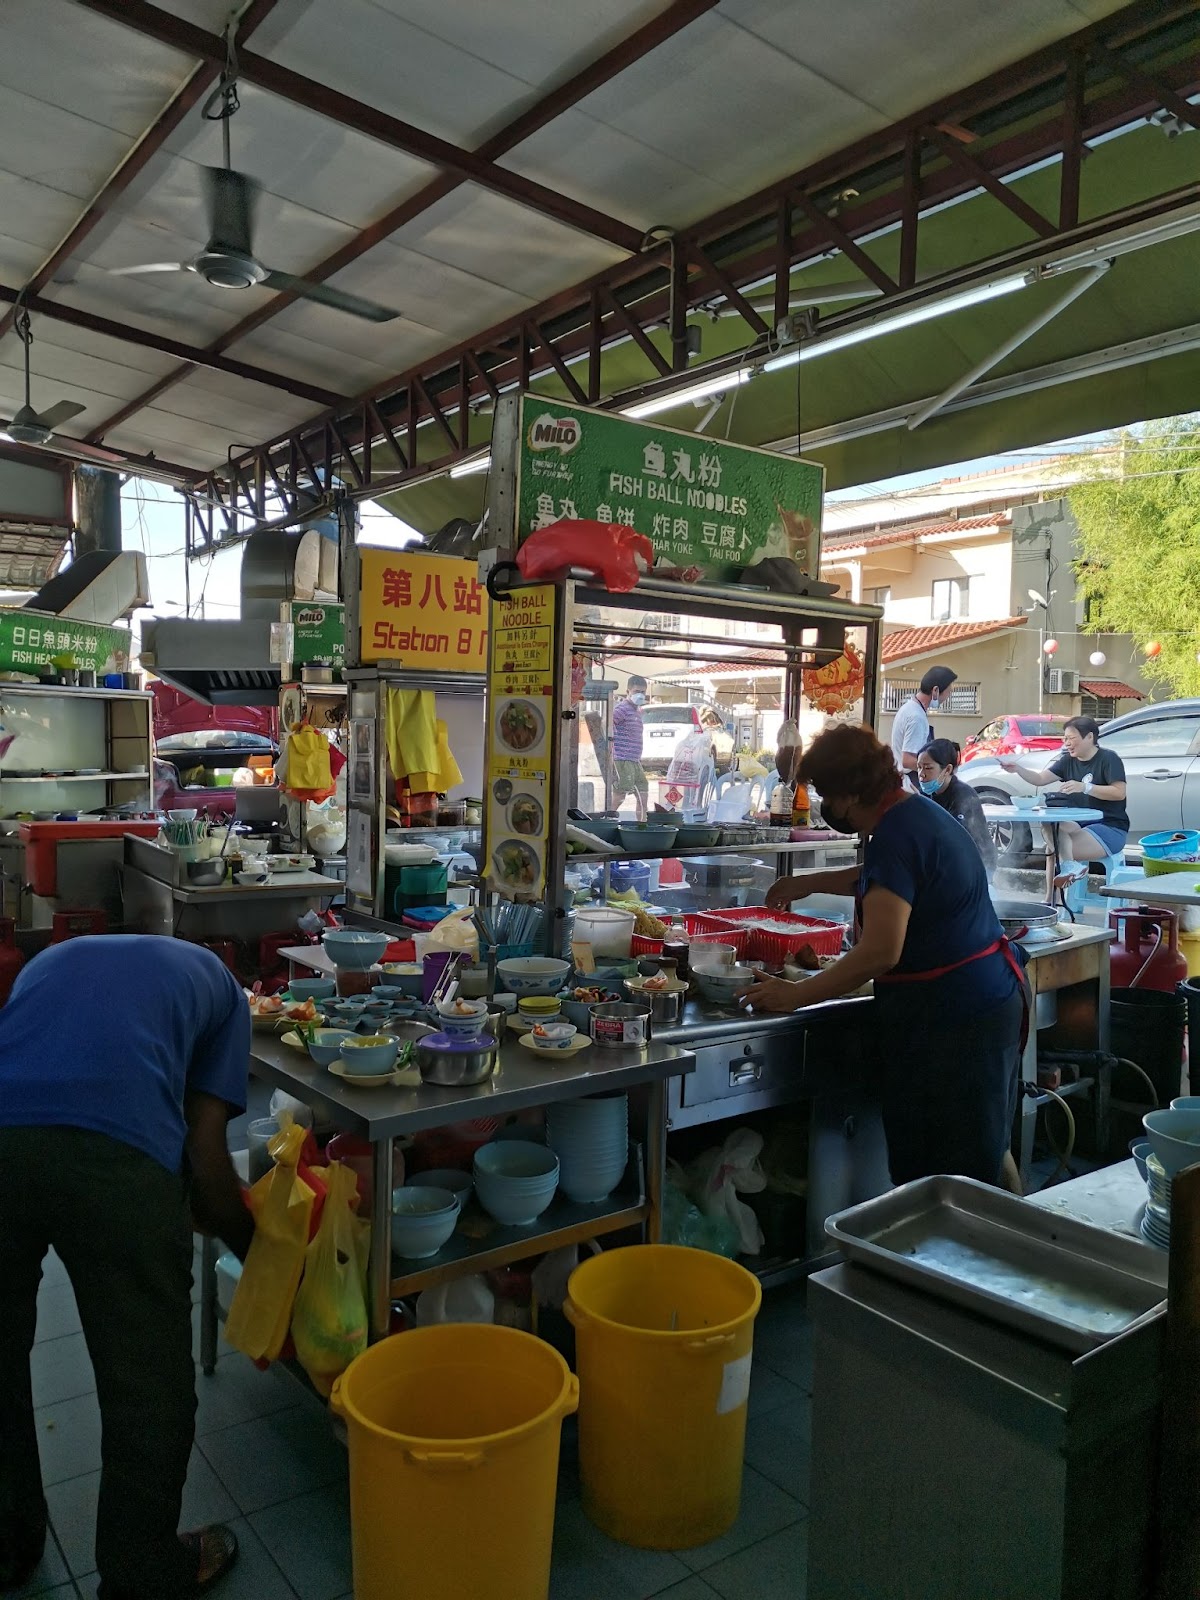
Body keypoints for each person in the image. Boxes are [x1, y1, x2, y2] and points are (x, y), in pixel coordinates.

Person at [0, 936, 255, 1600]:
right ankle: (141, 1571)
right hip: (116, 1158)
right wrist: (258, 1252)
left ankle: (7, 1548)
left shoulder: (47, 963)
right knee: (145, 1384)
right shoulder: (227, 996)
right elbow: (205, 1154)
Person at [737, 723, 1028, 1188]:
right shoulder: (912, 816)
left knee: (952, 1176)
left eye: (825, 796)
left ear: (850, 794)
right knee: (986, 1151)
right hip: (981, 1003)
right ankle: (1014, 1248)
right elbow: (884, 878)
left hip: (954, 1022)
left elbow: (880, 953)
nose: (824, 807)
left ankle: (969, 1257)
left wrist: (796, 994)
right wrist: (804, 883)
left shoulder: (896, 833)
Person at [997, 714, 1128, 898]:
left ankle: (1052, 899)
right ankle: (1063, 877)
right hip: (1080, 825)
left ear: (1090, 737)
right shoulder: (1067, 760)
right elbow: (1040, 779)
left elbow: (1119, 792)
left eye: (1072, 738)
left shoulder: (1108, 758)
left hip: (1110, 826)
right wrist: (1018, 769)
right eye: (1065, 738)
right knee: (1051, 825)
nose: (1067, 743)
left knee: (1053, 848)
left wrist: (1086, 787)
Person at [915, 737, 997, 874]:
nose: (921, 774)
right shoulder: (926, 793)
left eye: (928, 768)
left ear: (947, 769)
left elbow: (954, 840)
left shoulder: (963, 796)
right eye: (918, 767)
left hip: (975, 865)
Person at [890, 665, 957, 776]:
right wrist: (936, 770)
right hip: (911, 777)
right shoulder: (916, 717)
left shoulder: (909, 707)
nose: (946, 699)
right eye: (947, 694)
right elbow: (907, 760)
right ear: (935, 690)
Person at [611, 674, 649, 820]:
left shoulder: (637, 711)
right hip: (622, 759)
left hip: (634, 760)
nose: (640, 695)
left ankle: (642, 823)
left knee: (643, 791)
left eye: (643, 692)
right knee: (620, 793)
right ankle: (607, 819)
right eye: (636, 691)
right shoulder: (622, 709)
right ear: (628, 692)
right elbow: (608, 723)